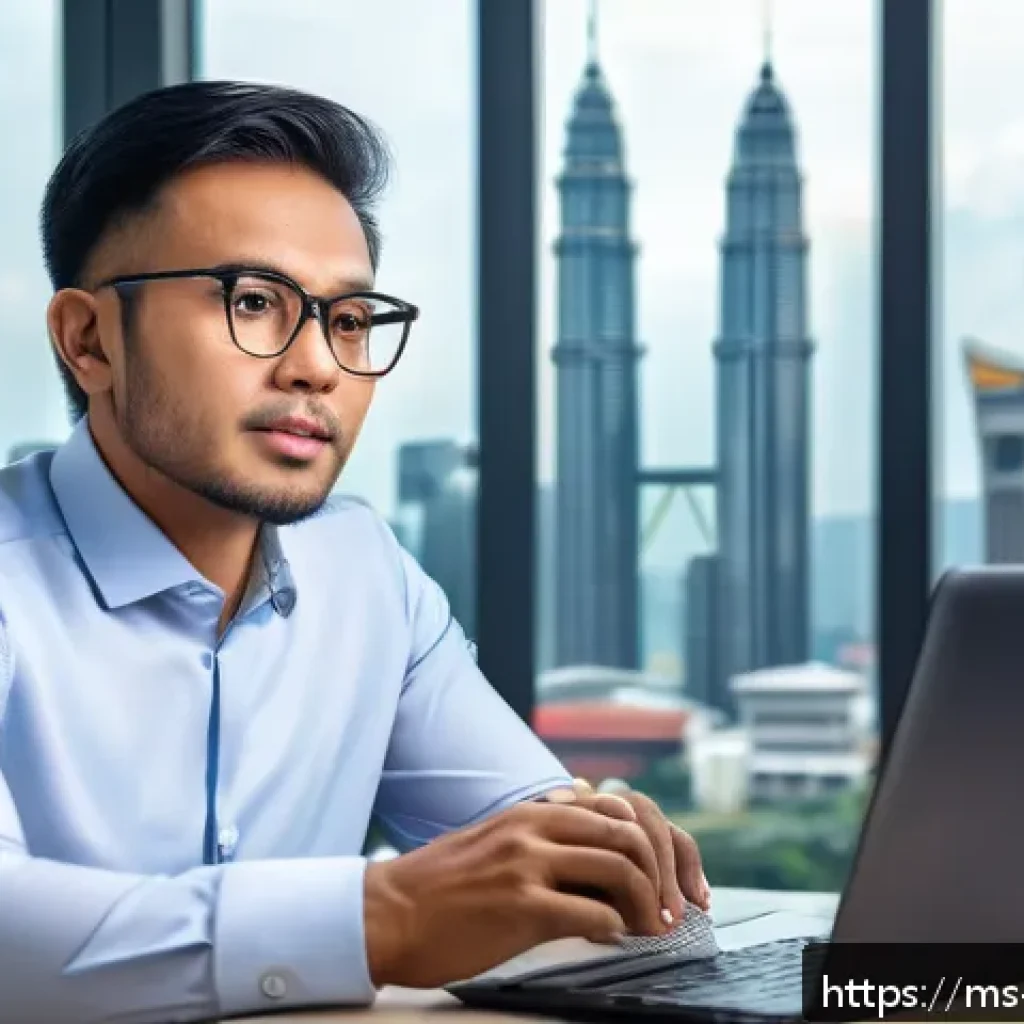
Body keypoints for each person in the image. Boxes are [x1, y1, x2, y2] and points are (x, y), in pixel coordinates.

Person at [0, 80, 708, 1022]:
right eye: (254, 301)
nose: (317, 368)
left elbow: (525, 838)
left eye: (348, 320)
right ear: (89, 339)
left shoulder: (365, 571)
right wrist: (379, 919)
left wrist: (601, 852)